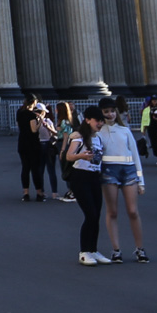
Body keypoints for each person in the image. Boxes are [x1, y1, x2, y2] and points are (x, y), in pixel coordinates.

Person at [95, 98, 149, 263]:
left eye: (112, 111)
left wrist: (141, 181)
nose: (110, 114)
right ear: (101, 113)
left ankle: (140, 249)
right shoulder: (98, 132)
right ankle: (116, 249)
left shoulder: (124, 130)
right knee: (112, 211)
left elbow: (135, 155)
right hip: (109, 170)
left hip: (128, 170)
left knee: (133, 211)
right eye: (106, 112)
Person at [62, 106, 109, 264]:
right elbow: (69, 156)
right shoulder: (79, 136)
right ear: (88, 120)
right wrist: (81, 155)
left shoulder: (98, 138)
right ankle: (84, 251)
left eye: (102, 121)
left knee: (97, 215)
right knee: (90, 214)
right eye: (98, 120)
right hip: (80, 177)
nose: (100, 123)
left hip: (95, 177)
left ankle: (93, 250)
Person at [16, 94, 48, 201]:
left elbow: (19, 126)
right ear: (34, 102)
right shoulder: (31, 115)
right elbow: (34, 130)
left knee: (25, 168)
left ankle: (26, 193)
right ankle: (39, 193)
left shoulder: (19, 113)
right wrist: (40, 120)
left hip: (22, 142)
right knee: (35, 169)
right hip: (33, 143)